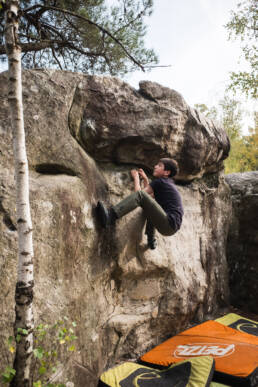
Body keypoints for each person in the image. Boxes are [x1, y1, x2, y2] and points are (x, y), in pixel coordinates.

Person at [96, 158, 184, 249]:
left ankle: (110, 217)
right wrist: (145, 179)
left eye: (160, 165)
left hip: (168, 222)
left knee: (141, 196)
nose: (155, 166)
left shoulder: (161, 182)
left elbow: (139, 194)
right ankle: (151, 240)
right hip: (171, 227)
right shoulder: (167, 183)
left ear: (166, 172)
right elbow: (150, 199)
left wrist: (136, 178)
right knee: (152, 206)